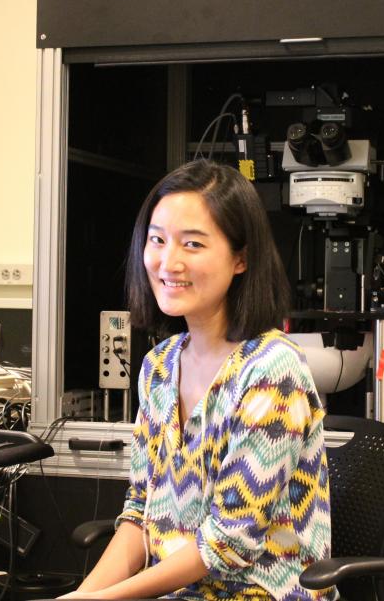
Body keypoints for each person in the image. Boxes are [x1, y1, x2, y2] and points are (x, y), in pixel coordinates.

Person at [62, 160, 335, 600]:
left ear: (241, 258)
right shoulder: (159, 367)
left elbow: (228, 543)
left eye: (192, 244)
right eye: (157, 240)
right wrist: (79, 597)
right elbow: (139, 514)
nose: (169, 262)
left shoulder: (271, 370)